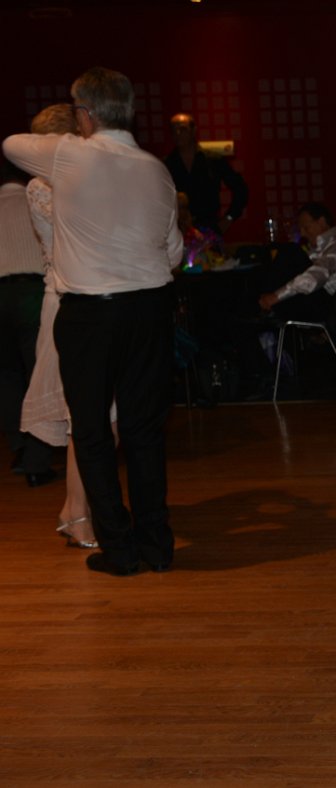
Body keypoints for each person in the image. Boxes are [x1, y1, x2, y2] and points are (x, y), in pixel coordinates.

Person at [4, 67, 184, 576]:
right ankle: (157, 546)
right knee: (144, 430)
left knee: (92, 432)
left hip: (91, 312)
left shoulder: (69, 155)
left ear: (84, 115)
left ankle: (120, 550)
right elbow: (173, 251)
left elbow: (11, 144)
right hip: (151, 308)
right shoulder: (156, 169)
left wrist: (72, 140)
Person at [19, 103, 109, 549]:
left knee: (94, 416)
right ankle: (78, 513)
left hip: (87, 301)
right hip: (67, 303)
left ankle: (76, 509)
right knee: (85, 415)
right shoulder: (41, 186)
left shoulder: (70, 182)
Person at [0, 155, 57, 488]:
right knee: (40, 376)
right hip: (32, 294)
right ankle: (37, 461)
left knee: (6, 376)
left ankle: (19, 449)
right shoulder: (36, 199)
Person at [256, 202, 336, 322]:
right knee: (268, 260)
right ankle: (259, 302)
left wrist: (276, 296)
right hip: (312, 300)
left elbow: (315, 276)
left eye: (306, 227)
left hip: (328, 307)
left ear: (322, 222)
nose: (302, 233)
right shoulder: (316, 249)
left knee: (291, 250)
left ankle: (260, 304)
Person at [164, 113, 248, 235]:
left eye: (182, 129)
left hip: (209, 230)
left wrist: (228, 218)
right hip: (178, 232)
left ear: (193, 130)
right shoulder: (166, 164)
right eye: (174, 130)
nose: (178, 134)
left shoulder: (212, 160)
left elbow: (240, 189)